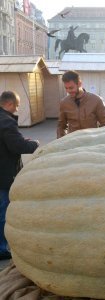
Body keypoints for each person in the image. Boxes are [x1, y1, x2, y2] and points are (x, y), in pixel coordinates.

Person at [0, 91, 39, 260]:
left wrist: (20, 140)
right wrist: (33, 144)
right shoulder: (6, 122)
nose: (17, 108)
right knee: (3, 211)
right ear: (9, 104)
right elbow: (16, 146)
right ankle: (2, 249)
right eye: (16, 105)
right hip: (3, 173)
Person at [57, 70, 105, 138]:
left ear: (79, 84)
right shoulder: (64, 103)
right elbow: (61, 126)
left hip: (92, 143)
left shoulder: (96, 100)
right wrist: (60, 141)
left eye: (71, 88)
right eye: (66, 88)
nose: (68, 91)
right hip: (73, 143)